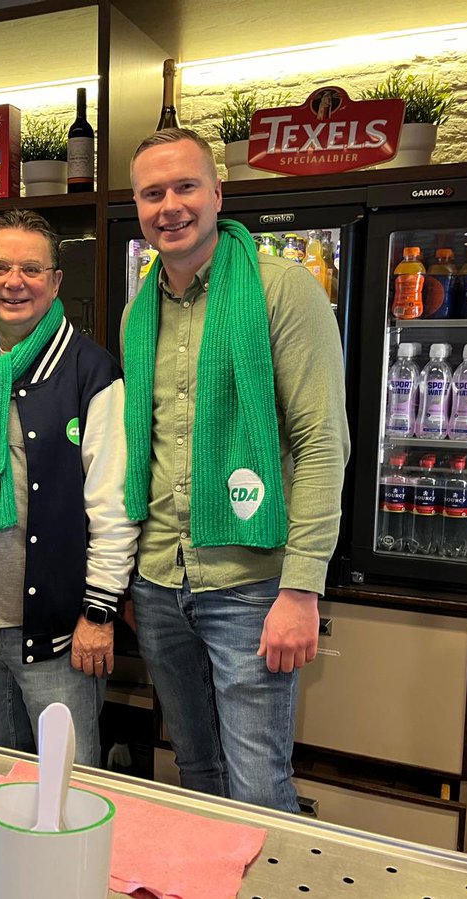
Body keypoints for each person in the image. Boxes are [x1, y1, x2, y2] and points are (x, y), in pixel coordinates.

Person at [123, 128, 350, 811]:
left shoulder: (283, 290)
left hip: (251, 585)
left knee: (257, 785)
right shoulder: (140, 310)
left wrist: (302, 589)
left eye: (185, 186)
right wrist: (129, 579)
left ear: (218, 194)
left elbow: (321, 442)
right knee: (197, 775)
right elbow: (148, 446)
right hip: (159, 583)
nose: (170, 206)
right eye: (152, 193)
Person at [0, 209, 137, 766]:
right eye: (1, 268)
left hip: (55, 631)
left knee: (66, 790)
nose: (14, 282)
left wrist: (99, 614)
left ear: (56, 280)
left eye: (31, 269)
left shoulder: (90, 371)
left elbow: (114, 505)